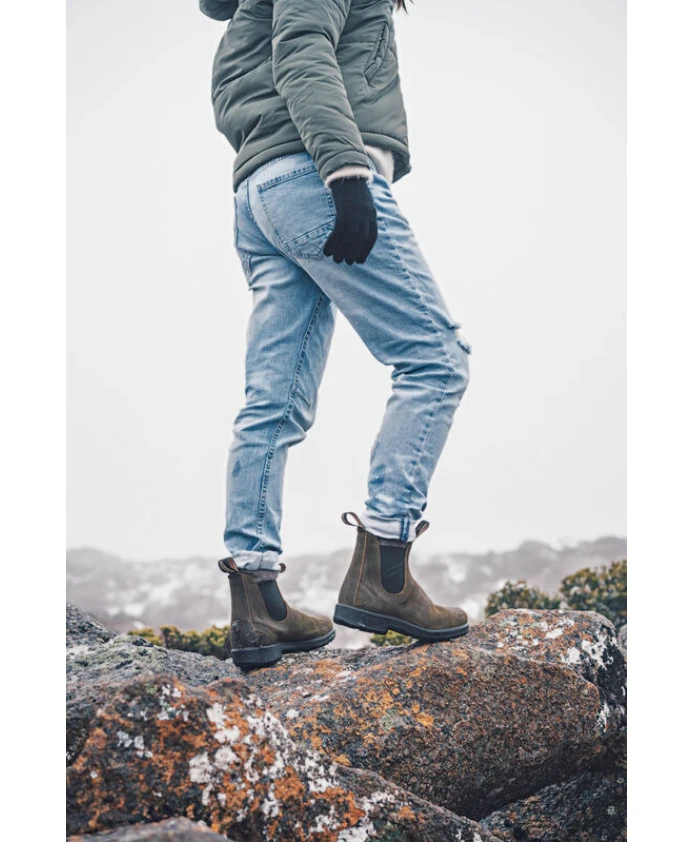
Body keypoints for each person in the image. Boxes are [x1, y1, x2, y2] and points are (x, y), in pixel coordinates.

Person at [201, 0, 472, 667]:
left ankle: (259, 604)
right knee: (435, 360)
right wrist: (347, 173)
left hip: (260, 189)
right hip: (315, 175)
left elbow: (247, 79)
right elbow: (302, 52)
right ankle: (384, 572)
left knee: (273, 401)